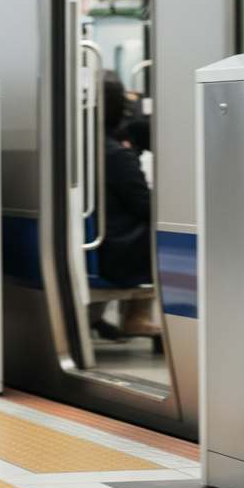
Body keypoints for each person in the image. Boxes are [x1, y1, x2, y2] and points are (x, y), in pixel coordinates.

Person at [91, 73, 160, 339]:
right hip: (115, 252)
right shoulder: (116, 154)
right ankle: (138, 317)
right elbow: (147, 207)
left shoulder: (79, 147)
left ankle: (131, 318)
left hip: (99, 242)